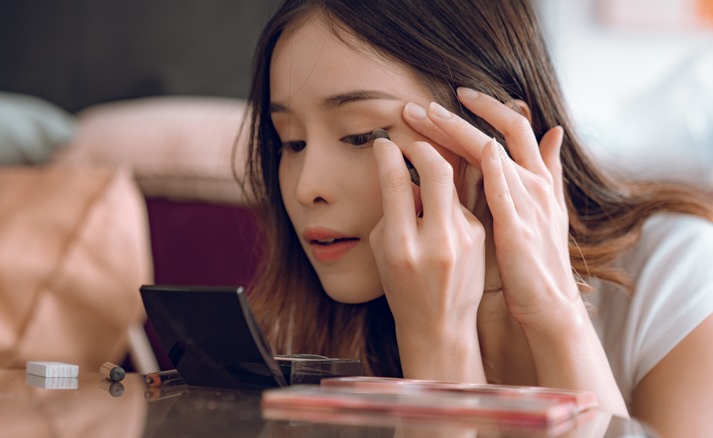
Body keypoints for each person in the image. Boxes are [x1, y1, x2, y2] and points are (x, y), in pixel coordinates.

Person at [240, 0, 713, 435]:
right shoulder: (296, 326)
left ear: (500, 137)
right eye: (292, 142)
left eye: (361, 136)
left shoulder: (678, 272)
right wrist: (437, 338)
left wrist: (555, 311)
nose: (306, 187)